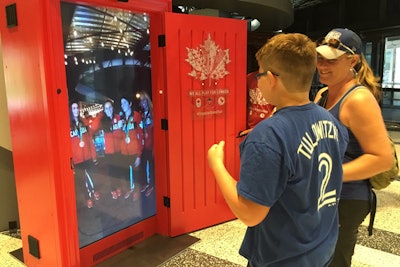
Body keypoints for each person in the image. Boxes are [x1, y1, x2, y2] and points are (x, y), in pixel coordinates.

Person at [207, 33, 349, 266]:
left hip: (283, 257)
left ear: (271, 78)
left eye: (260, 74)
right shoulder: (331, 121)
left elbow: (250, 214)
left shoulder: (268, 136)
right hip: (321, 247)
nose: (258, 80)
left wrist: (217, 165)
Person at [314, 28, 393, 267]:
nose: (322, 66)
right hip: (323, 196)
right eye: (320, 58)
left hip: (347, 200)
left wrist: (329, 175)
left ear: (353, 60)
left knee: (335, 260)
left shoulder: (359, 100)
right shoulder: (322, 94)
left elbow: (382, 159)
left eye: (332, 60)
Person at [70, 101, 99, 208]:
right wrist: (71, 161)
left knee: (93, 175)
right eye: (73, 108)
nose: (76, 110)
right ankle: (88, 198)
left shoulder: (84, 123)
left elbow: (90, 140)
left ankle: (94, 191)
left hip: (87, 156)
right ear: (71, 111)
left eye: (77, 107)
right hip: (77, 159)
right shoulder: (68, 126)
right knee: (81, 180)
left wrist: (94, 156)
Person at [119, 95, 144, 201]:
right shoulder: (122, 119)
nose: (122, 105)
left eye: (124, 103)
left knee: (136, 172)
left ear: (129, 103)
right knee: (128, 172)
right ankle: (131, 188)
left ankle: (137, 191)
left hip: (134, 150)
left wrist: (139, 155)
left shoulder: (137, 116)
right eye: (121, 104)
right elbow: (121, 137)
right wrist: (120, 127)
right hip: (125, 152)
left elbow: (141, 135)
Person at [238, 71, 275, 137]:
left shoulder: (276, 80)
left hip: (267, 128)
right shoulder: (249, 78)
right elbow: (241, 101)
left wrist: (261, 127)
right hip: (247, 128)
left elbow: (279, 107)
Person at [137, 91, 154, 197]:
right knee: (143, 165)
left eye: (144, 100)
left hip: (151, 145)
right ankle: (144, 183)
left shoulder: (153, 113)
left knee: (151, 166)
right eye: (141, 101)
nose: (143, 102)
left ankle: (151, 185)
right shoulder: (141, 115)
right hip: (143, 145)